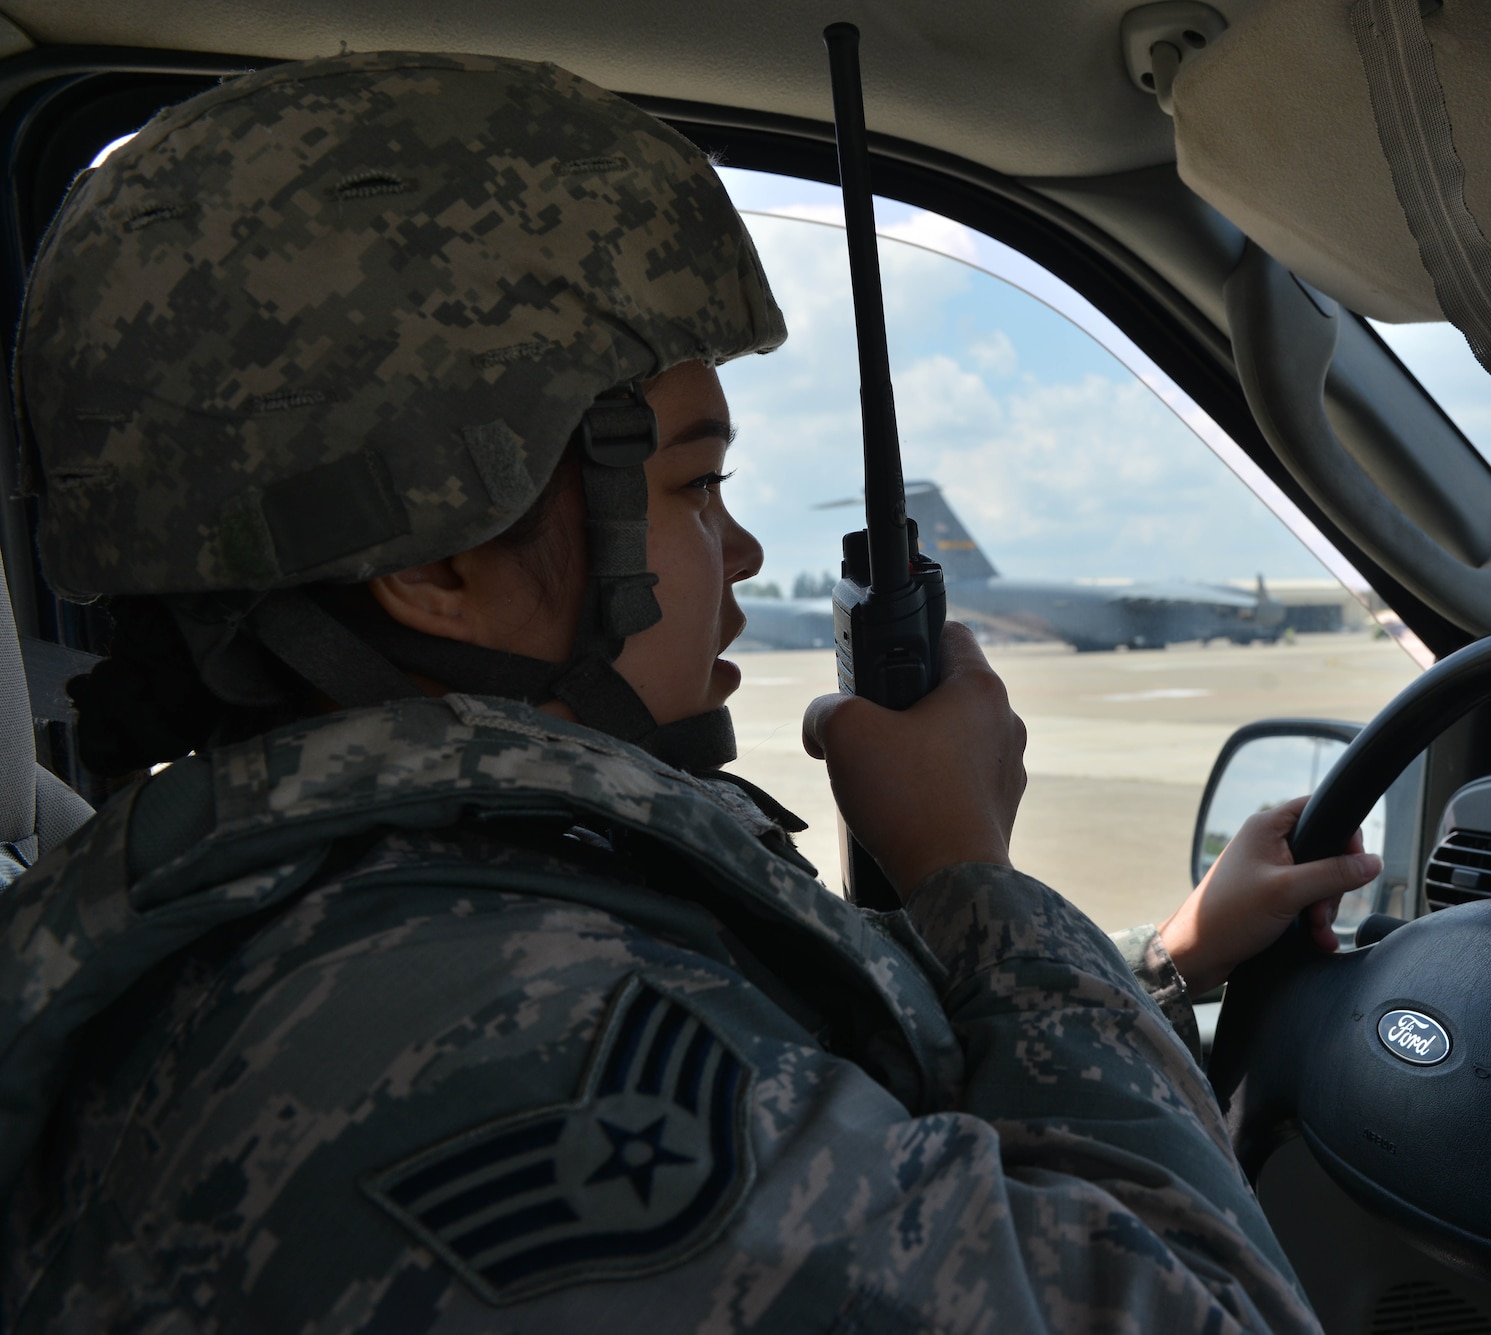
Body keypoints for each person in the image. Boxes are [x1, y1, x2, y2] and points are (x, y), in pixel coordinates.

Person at [0, 52, 1379, 1332]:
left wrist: (1157, 962)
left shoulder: (349, 920)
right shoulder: (500, 1056)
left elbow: (802, 1101)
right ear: (438, 562)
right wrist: (969, 871)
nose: (746, 550)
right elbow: (1215, 1306)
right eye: (692, 483)